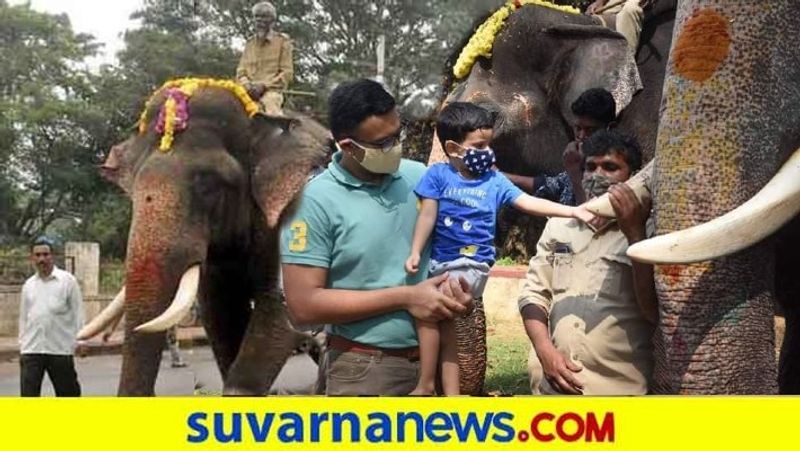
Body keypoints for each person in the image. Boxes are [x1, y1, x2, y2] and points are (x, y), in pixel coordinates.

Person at [280, 79, 473, 396]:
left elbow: (453, 251)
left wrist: (460, 294)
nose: (395, 148)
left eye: (398, 135)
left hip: (434, 367)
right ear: (347, 146)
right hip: (365, 371)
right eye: (383, 143)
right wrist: (406, 296)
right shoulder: (313, 202)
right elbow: (303, 306)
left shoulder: (421, 178)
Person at [404, 102, 595, 396]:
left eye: (488, 144)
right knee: (449, 331)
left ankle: (425, 385)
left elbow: (530, 202)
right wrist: (416, 251)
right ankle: (452, 396)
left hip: (470, 265)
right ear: (454, 149)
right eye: (479, 146)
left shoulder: (493, 180)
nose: (487, 152)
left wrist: (573, 212)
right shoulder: (437, 176)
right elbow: (427, 215)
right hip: (442, 264)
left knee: (427, 313)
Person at [518, 130, 657, 395]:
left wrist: (634, 233)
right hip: (551, 385)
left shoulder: (650, 233)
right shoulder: (559, 226)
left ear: (634, 176)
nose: (597, 175)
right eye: (590, 167)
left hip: (618, 391)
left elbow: (652, 311)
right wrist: (545, 353)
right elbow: (533, 294)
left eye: (610, 167)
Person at [504, 88, 617, 206]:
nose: (581, 136)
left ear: (611, 129)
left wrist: (574, 171)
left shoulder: (616, 168)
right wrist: (501, 175)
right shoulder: (583, 161)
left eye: (591, 130)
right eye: (578, 128)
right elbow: (552, 185)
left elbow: (590, 216)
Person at [18, 237, 84, 397]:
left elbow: (78, 313)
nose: (42, 259)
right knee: (28, 397)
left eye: (45, 254)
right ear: (32, 258)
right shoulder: (29, 285)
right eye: (38, 255)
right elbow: (24, 317)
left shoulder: (68, 281)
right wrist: (22, 344)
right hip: (32, 349)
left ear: (53, 256)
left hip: (60, 350)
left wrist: (81, 340)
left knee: (69, 395)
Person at [236, 1, 293, 116]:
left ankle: (279, 133)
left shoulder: (282, 42)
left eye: (264, 17)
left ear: (272, 21)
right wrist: (246, 85)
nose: (259, 20)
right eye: (256, 16)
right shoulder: (249, 43)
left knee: (271, 114)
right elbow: (240, 72)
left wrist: (263, 86)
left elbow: (287, 73)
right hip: (246, 91)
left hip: (270, 93)